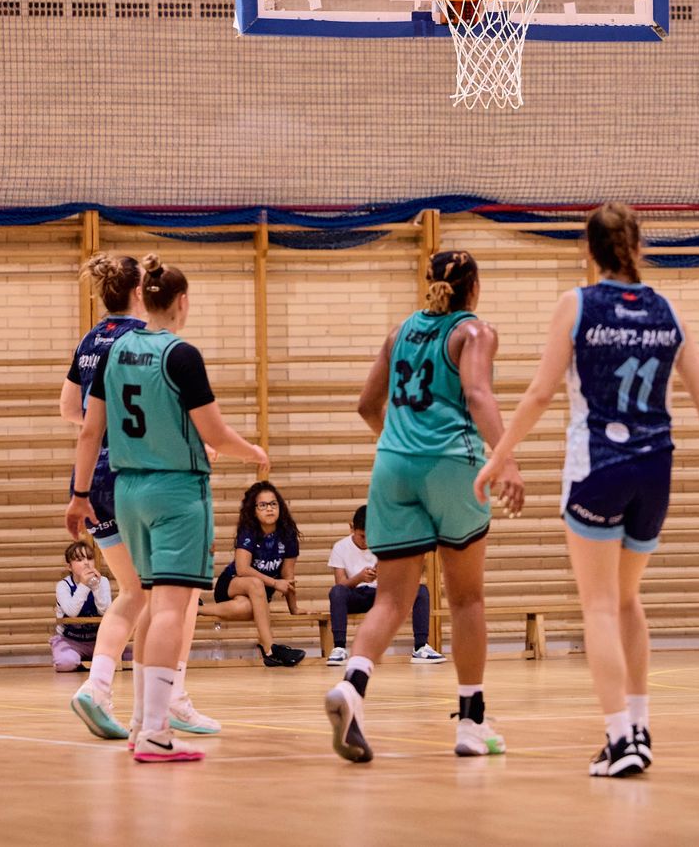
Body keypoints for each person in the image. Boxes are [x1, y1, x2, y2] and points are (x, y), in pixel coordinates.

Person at [474, 203, 699, 778]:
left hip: (598, 464)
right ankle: (640, 727)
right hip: (656, 468)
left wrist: (498, 458)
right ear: (638, 247)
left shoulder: (577, 304)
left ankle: (620, 737)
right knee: (627, 601)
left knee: (598, 604)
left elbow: (540, 394)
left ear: (589, 251)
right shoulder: (667, 308)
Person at [325, 250, 524, 765]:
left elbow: (368, 406)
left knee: (391, 598)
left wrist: (399, 447)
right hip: (452, 465)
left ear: (429, 282)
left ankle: (352, 687)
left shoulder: (400, 333)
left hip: (392, 466)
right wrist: (505, 461)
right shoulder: (474, 332)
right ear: (473, 288)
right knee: (466, 600)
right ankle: (471, 723)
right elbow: (478, 394)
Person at [71, 254, 269, 762]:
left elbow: (87, 424)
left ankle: (142, 718)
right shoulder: (179, 353)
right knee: (168, 610)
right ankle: (159, 726)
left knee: (141, 598)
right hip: (175, 489)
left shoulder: (113, 351)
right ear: (180, 302)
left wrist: (77, 493)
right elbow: (213, 431)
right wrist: (253, 453)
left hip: (124, 487)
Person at [61, 255, 219, 740]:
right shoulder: (145, 342)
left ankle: (99, 686)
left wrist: (101, 438)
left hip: (100, 481)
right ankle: (169, 700)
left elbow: (71, 409)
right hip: (145, 473)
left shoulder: (91, 341)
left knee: (135, 593)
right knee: (178, 595)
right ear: (140, 293)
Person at [200, 480, 306, 667]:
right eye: (262, 505)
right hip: (232, 583)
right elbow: (242, 569)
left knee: (248, 608)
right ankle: (270, 649)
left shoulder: (288, 536)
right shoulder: (249, 532)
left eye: (273, 504)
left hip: (258, 595)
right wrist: (274, 584)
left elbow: (288, 575)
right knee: (255, 583)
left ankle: (195, 609)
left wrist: (294, 608)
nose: (269, 509)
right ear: (254, 510)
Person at [326, 505, 443, 666]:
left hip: (382, 595)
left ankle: (421, 647)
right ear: (351, 528)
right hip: (356, 596)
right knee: (336, 591)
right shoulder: (340, 547)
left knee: (420, 590)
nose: (367, 541)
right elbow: (341, 583)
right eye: (362, 536)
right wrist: (360, 577)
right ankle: (339, 647)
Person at [52, 541, 114, 672]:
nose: (86, 563)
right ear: (69, 566)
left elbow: (105, 611)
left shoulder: (102, 581)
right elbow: (71, 612)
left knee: (131, 657)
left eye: (90, 558)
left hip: (98, 640)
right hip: (71, 640)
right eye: (79, 559)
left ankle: (95, 660)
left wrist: (96, 587)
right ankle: (77, 661)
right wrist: (84, 585)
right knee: (66, 663)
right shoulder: (63, 586)